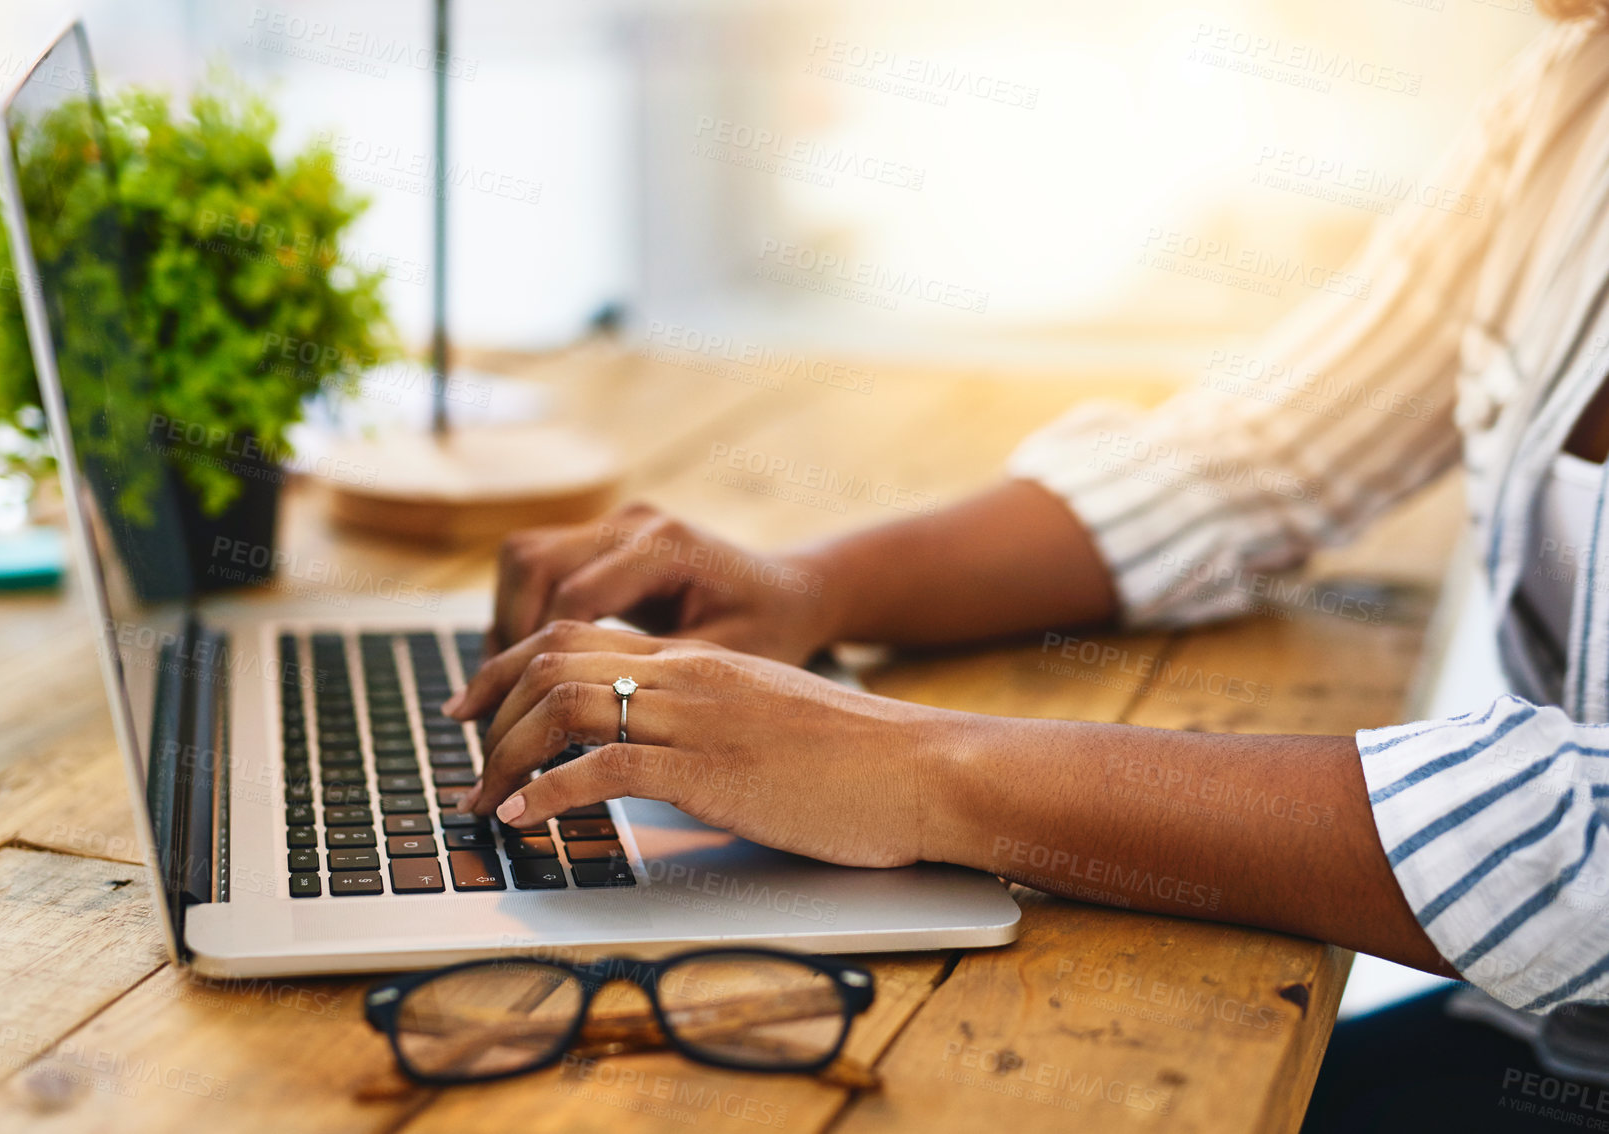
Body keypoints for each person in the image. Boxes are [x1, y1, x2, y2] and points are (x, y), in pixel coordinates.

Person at [448, 8, 1609, 1128]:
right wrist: (816, 586)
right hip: (1536, 1035)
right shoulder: (1569, 92)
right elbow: (1257, 454)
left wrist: (912, 768)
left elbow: (1586, 841)